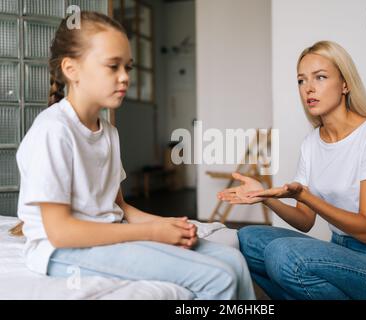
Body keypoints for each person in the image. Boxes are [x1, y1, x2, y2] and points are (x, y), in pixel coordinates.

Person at [11, 11, 255, 300]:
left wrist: (164, 224)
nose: (125, 77)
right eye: (112, 66)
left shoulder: (109, 133)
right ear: (71, 69)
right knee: (219, 278)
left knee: (235, 262)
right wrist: (150, 233)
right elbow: (61, 232)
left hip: (106, 238)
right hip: (62, 252)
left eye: (128, 67)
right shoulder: (54, 131)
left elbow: (118, 208)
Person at [218, 41, 366, 300]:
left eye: (320, 77)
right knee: (246, 239)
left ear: (345, 84)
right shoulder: (311, 143)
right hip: (340, 254)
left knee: (283, 254)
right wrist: (265, 197)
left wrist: (306, 196)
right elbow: (305, 220)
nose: (308, 88)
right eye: (301, 80)